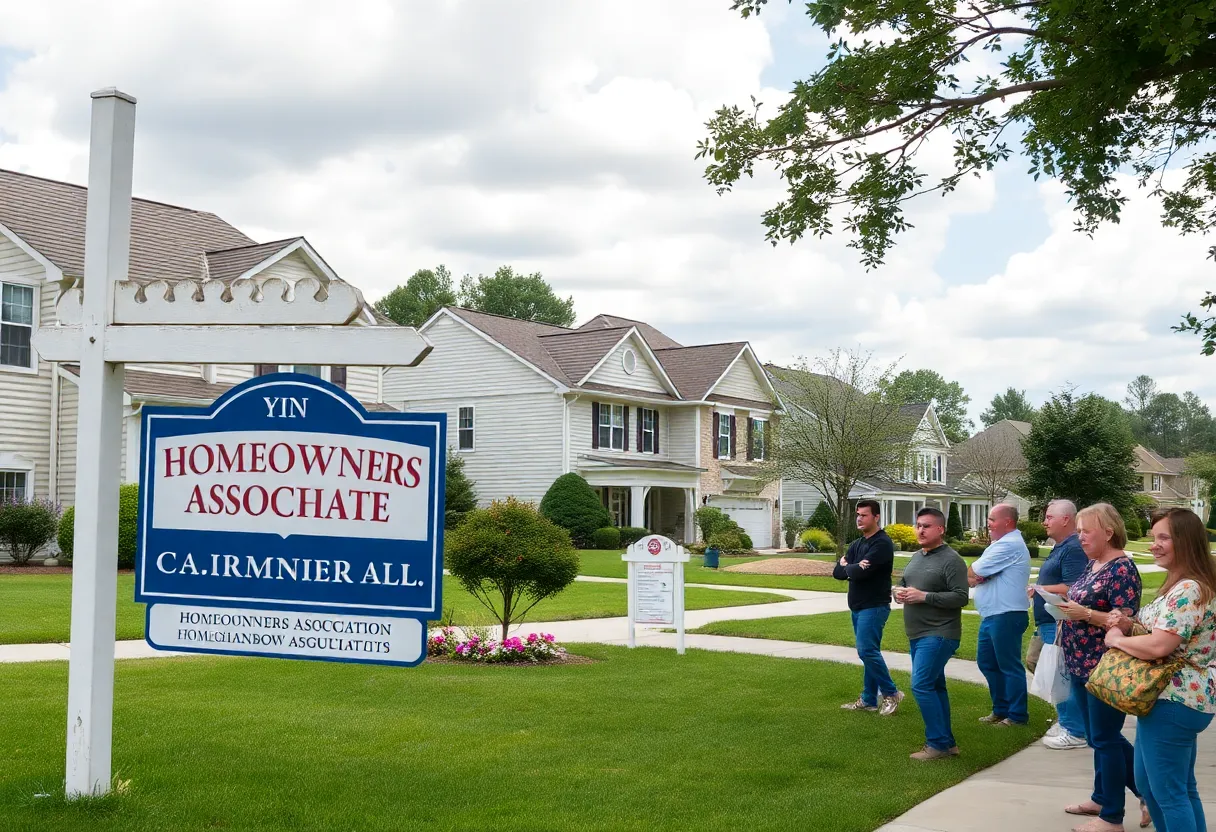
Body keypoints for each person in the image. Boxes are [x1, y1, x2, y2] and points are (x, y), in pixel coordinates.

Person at [1105, 508, 1216, 832]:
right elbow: (1165, 634)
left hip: (1174, 700)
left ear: (1186, 542)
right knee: (1163, 787)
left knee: (1166, 793)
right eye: (1154, 538)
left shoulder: (1189, 589)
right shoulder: (1181, 585)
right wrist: (1129, 624)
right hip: (1173, 697)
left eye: (1163, 538)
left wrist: (1117, 640)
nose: (1154, 545)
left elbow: (1159, 646)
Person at [1057, 503, 1146, 832]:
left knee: (1106, 738)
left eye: (1086, 530)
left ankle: (1112, 817)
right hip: (1080, 662)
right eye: (1078, 530)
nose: (1080, 536)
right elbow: (1080, 600)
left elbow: (1126, 622)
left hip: (1106, 667)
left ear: (1108, 532)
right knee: (1098, 737)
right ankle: (1104, 796)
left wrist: (1086, 615)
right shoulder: (1094, 564)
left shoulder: (1122, 569)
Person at [894, 506, 970, 760]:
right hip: (917, 633)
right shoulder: (917, 557)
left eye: (926, 526)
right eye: (918, 525)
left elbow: (961, 597)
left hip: (940, 633)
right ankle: (947, 744)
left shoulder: (952, 560)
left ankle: (937, 744)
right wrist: (899, 592)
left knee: (922, 685)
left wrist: (924, 596)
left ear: (941, 529)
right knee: (935, 686)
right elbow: (905, 584)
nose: (920, 530)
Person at [833, 499, 902, 715]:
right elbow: (837, 572)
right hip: (858, 606)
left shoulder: (881, 544)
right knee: (868, 652)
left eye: (864, 515)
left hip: (874, 606)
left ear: (876, 517)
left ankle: (891, 693)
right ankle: (869, 699)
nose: (859, 519)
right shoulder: (857, 544)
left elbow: (859, 572)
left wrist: (850, 568)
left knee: (867, 651)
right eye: (858, 515)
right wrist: (852, 567)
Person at [1034, 499, 1090, 750]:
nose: (1045, 522)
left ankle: (1074, 729)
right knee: (1042, 665)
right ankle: (1068, 720)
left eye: (1049, 517)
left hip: (1059, 621)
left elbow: (1073, 587)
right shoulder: (1060, 546)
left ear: (1065, 519)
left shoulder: (1074, 548)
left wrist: (1039, 589)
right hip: (1048, 620)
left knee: (1061, 674)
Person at [969, 503, 1032, 727]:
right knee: (987, 662)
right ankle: (1001, 709)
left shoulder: (1010, 544)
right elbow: (974, 576)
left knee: (1008, 665)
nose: (988, 524)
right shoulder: (1000, 544)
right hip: (993, 615)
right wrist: (979, 576)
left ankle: (1016, 716)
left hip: (1006, 615)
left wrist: (979, 575)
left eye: (992, 520)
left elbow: (973, 572)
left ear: (1007, 522)